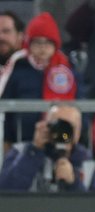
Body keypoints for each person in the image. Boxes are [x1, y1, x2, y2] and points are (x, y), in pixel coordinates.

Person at [0, 12, 78, 146]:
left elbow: (80, 104)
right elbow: (8, 113)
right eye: (37, 42)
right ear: (28, 44)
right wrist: (7, 142)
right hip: (23, 143)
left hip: (61, 141)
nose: (42, 48)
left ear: (55, 45)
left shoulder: (68, 70)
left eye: (48, 42)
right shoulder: (17, 72)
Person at [0, 104, 95, 192]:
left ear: (78, 132)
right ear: (46, 125)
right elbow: (6, 191)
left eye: (69, 127)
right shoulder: (20, 151)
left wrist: (74, 183)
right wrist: (33, 151)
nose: (63, 133)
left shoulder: (88, 164)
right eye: (59, 125)